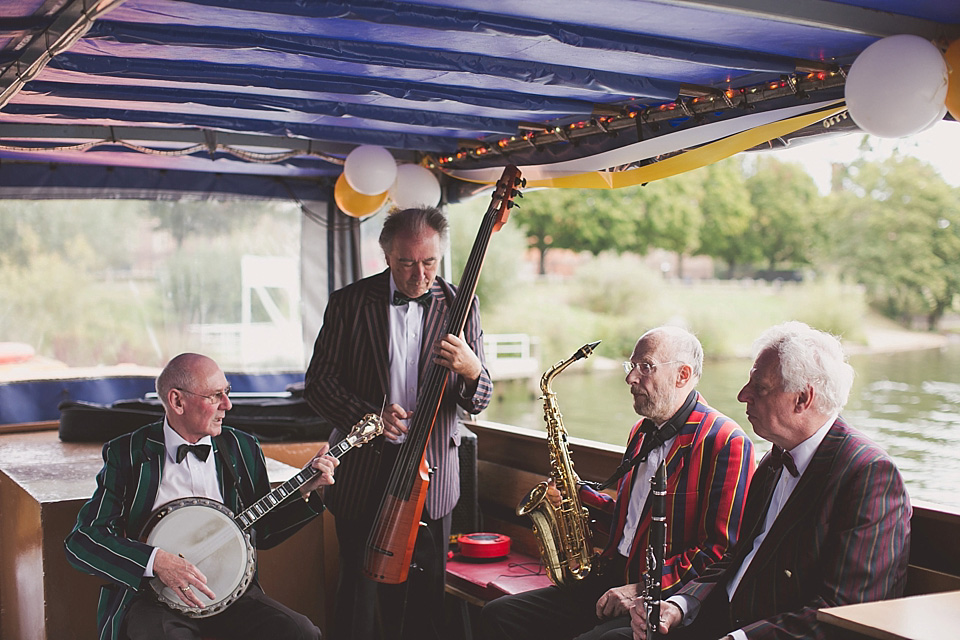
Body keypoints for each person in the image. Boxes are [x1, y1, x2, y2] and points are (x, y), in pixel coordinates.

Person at [630, 321, 912, 640]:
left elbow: (846, 611)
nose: (742, 395)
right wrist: (681, 604)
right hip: (721, 620)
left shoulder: (868, 474)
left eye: (760, 388)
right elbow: (739, 556)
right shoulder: (775, 457)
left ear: (802, 399)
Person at [480, 326, 755, 640]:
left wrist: (641, 588)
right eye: (631, 366)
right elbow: (634, 521)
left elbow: (719, 550)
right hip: (612, 578)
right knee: (499, 615)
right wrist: (577, 495)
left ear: (682, 375)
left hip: (663, 597)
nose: (631, 378)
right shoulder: (641, 431)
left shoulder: (725, 440)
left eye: (645, 367)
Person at [303, 205, 493, 640]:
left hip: (433, 477)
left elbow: (480, 399)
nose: (419, 275)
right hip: (362, 468)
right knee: (359, 595)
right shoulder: (348, 303)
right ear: (387, 256)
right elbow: (319, 384)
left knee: (427, 600)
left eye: (429, 263)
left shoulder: (462, 305)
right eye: (407, 263)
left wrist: (470, 370)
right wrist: (367, 417)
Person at [64, 352, 339, 640]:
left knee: (300, 631)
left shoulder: (242, 448)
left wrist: (305, 489)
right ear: (177, 401)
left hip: (231, 599)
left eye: (227, 392)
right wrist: (155, 561)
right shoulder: (129, 454)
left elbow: (265, 530)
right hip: (153, 602)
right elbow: (82, 541)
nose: (227, 405)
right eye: (214, 396)